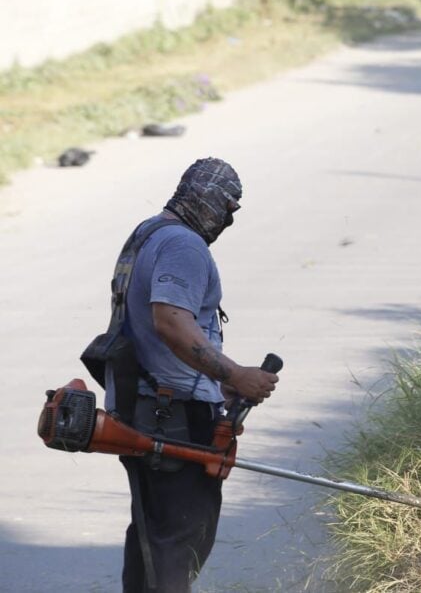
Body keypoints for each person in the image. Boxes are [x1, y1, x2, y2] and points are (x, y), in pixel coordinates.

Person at [106, 157, 278, 592]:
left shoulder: (148, 232)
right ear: (202, 197)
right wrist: (235, 373)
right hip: (172, 415)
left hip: (146, 405)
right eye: (226, 207)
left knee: (153, 533)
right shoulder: (183, 246)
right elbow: (169, 322)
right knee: (179, 539)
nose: (228, 220)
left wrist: (215, 377)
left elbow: (158, 328)